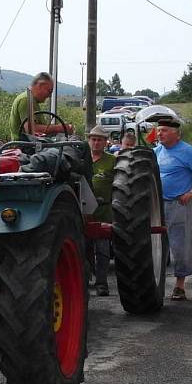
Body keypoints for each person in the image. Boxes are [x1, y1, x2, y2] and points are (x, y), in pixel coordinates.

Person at [154, 117, 192, 301]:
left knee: (179, 245)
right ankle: (158, 283)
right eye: (158, 130)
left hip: (178, 204)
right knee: (157, 245)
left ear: (175, 133)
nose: (159, 133)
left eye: (164, 130)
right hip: (157, 205)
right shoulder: (157, 151)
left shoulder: (187, 151)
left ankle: (180, 285)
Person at [87, 126, 115, 296]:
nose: (96, 143)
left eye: (100, 140)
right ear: (89, 141)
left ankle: (102, 283)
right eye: (93, 139)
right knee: (84, 249)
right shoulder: (82, 160)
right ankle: (86, 280)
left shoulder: (113, 160)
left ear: (106, 142)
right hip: (84, 212)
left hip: (104, 211)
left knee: (103, 250)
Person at [8, 72, 68, 141]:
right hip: (26, 148)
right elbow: (32, 130)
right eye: (49, 91)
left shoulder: (32, 101)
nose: (50, 95)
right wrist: (60, 128)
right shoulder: (26, 100)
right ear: (40, 85)